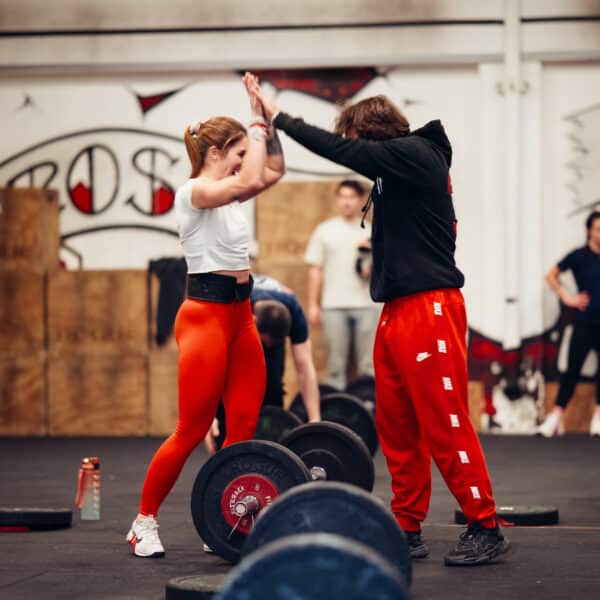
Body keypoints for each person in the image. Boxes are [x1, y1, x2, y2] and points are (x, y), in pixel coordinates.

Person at [245, 73, 510, 566]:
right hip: (396, 311)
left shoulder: (417, 154)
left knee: (445, 422)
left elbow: (341, 152)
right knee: (397, 426)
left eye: (354, 140)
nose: (353, 151)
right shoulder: (396, 169)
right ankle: (407, 527)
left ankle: (485, 525)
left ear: (371, 134)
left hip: (431, 308)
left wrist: (278, 117)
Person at [126, 73, 286, 558]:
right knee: (192, 430)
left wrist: (268, 124)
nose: (244, 160)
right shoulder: (192, 192)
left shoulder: (234, 194)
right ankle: (143, 522)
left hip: (241, 318)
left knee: (243, 428)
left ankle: (222, 520)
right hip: (204, 319)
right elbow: (251, 177)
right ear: (216, 152)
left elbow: (272, 172)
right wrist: (254, 122)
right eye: (238, 152)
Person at [204, 278, 321, 455]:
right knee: (230, 385)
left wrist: (315, 420)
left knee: (272, 384)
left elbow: (305, 368)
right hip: (239, 327)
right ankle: (224, 451)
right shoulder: (230, 308)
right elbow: (211, 367)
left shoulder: (293, 310)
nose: (267, 346)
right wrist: (209, 417)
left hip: (266, 326)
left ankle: (273, 450)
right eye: (266, 342)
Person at [305, 180, 380, 390]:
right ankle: (336, 406)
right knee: (335, 366)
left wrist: (370, 268)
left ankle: (367, 403)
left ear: (361, 200)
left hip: (367, 305)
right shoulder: (325, 230)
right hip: (334, 305)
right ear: (337, 199)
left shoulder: (372, 231)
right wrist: (312, 305)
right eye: (343, 197)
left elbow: (385, 269)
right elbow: (315, 268)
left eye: (351, 197)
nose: (346, 202)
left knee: (368, 364)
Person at [539, 210, 600, 437]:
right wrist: (568, 298)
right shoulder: (579, 256)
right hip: (584, 321)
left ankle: (598, 418)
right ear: (589, 231)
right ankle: (556, 418)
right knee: (572, 370)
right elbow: (551, 275)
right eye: (598, 229)